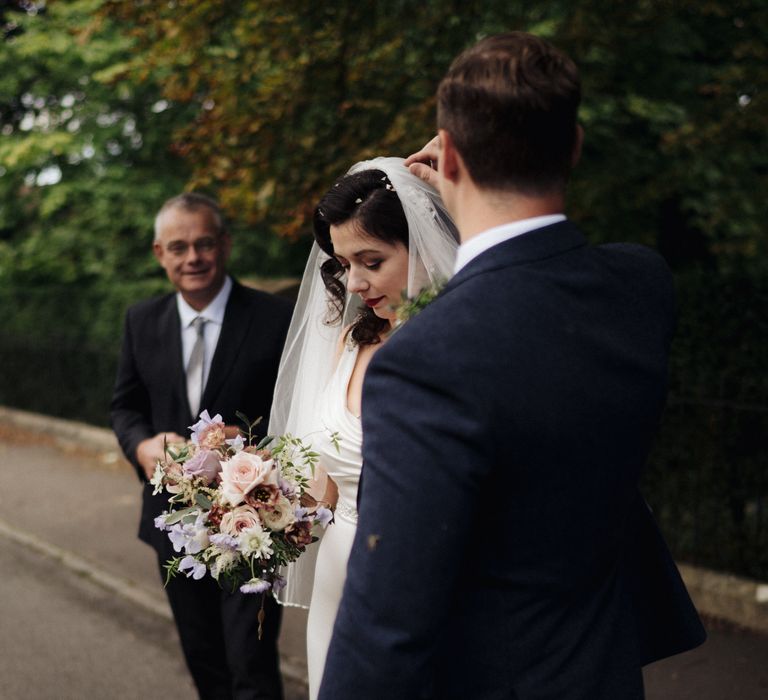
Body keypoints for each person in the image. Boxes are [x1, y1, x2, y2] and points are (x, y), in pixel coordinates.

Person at [319, 32, 706, 700]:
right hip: (605, 674)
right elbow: (533, 282)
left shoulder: (425, 359)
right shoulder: (642, 287)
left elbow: (389, 620)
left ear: (453, 158)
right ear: (575, 148)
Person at [267, 157, 459, 700]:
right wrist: (249, 507)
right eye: (343, 263)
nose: (354, 282)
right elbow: (324, 483)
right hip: (338, 570)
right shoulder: (353, 340)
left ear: (420, 241)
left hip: (420, 579)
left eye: (371, 260)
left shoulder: (457, 347)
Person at [110, 192, 292, 700]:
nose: (193, 257)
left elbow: (297, 417)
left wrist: (252, 442)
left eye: (204, 243)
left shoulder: (275, 319)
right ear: (159, 253)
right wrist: (143, 447)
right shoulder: (140, 321)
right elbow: (123, 407)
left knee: (250, 665)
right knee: (203, 660)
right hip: (173, 524)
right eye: (179, 247)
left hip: (254, 522)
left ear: (225, 245)